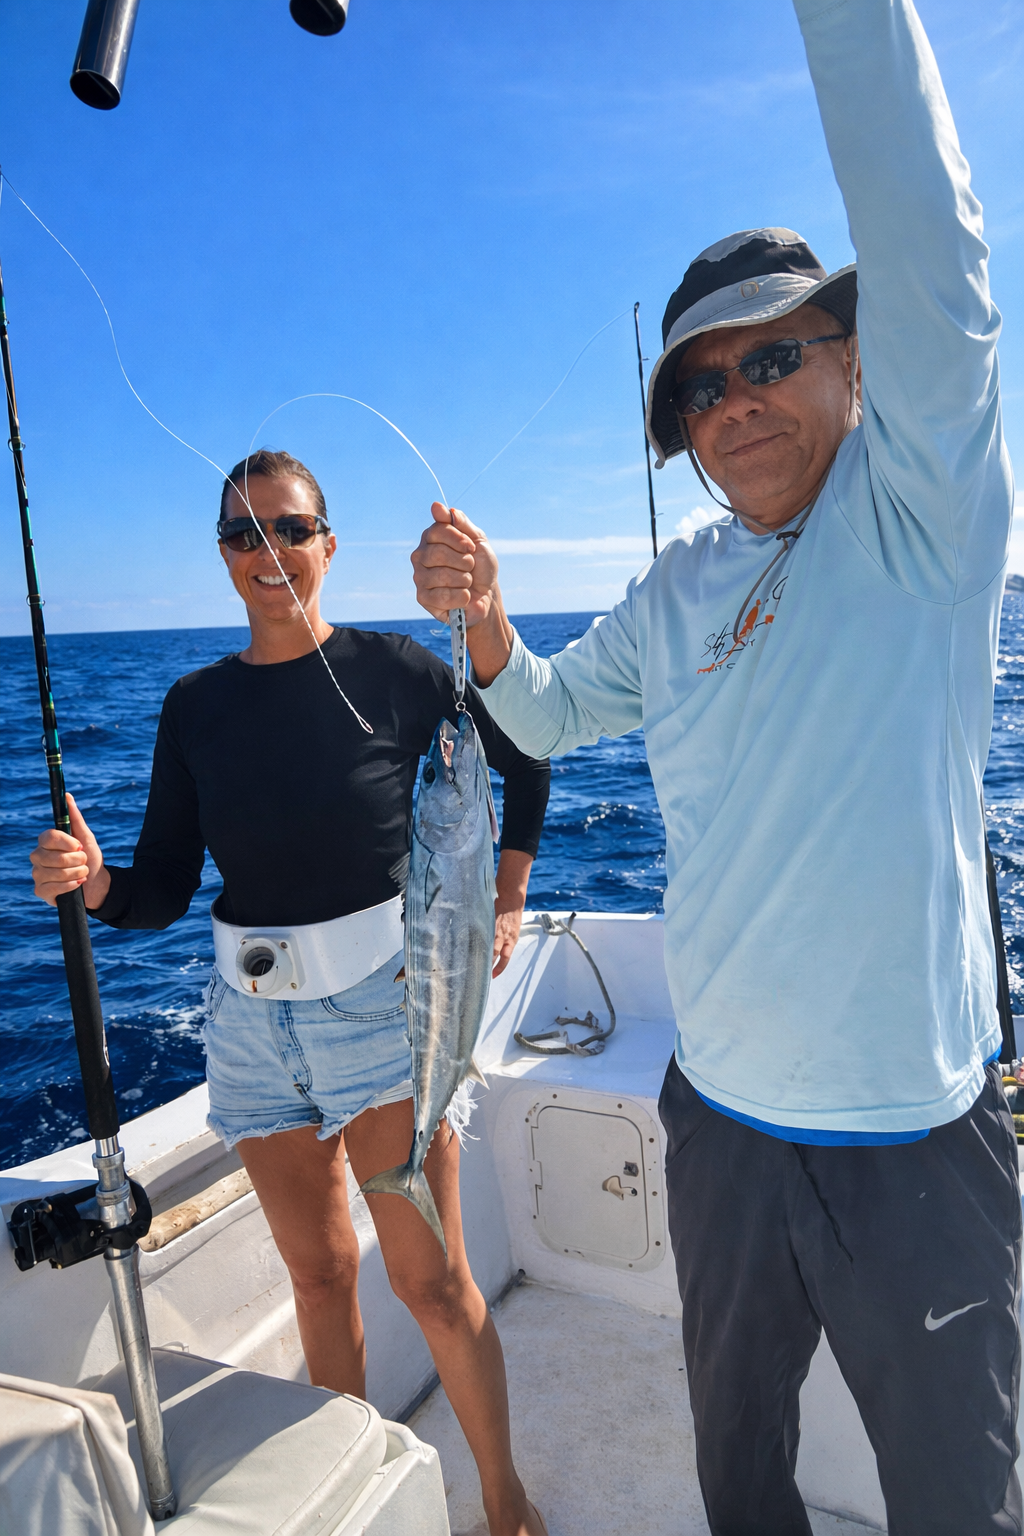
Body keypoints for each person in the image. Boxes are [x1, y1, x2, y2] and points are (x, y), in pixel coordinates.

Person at [410, 2, 1019, 1532]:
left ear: (860, 365)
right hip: (719, 1121)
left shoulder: (922, 514)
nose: (735, 396)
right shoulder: (675, 589)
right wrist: (486, 624)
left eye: (775, 355)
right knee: (739, 1481)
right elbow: (543, 718)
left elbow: (930, 228)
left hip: (915, 1147)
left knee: (958, 1500)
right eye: (700, 383)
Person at [31, 449, 550, 1536]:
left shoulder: (399, 669)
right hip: (250, 1030)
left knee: (432, 1285)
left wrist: (504, 900)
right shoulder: (193, 705)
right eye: (243, 534)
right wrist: (96, 887)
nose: (269, 553)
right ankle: (354, 1495)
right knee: (318, 1280)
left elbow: (527, 757)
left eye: (289, 528)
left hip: (384, 1015)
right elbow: (164, 885)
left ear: (328, 542)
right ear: (222, 557)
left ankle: (505, 1506)